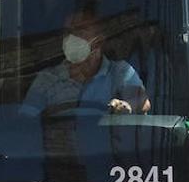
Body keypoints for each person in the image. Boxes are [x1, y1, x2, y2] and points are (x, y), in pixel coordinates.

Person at [21, 9, 149, 117]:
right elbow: (26, 122)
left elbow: (141, 101)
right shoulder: (47, 78)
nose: (72, 37)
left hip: (109, 144)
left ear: (99, 41)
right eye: (68, 31)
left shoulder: (120, 72)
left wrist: (125, 106)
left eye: (80, 30)